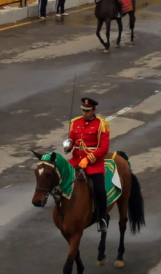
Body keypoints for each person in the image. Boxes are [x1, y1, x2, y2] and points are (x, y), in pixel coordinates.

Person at [64, 97, 110, 232]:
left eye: (88, 111)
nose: (84, 113)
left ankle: (102, 218)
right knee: (60, 178)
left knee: (99, 190)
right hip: (76, 160)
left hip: (93, 164)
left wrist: (88, 159)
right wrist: (68, 146)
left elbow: (103, 148)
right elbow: (72, 140)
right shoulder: (75, 123)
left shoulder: (101, 124)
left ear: (94, 110)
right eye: (83, 110)